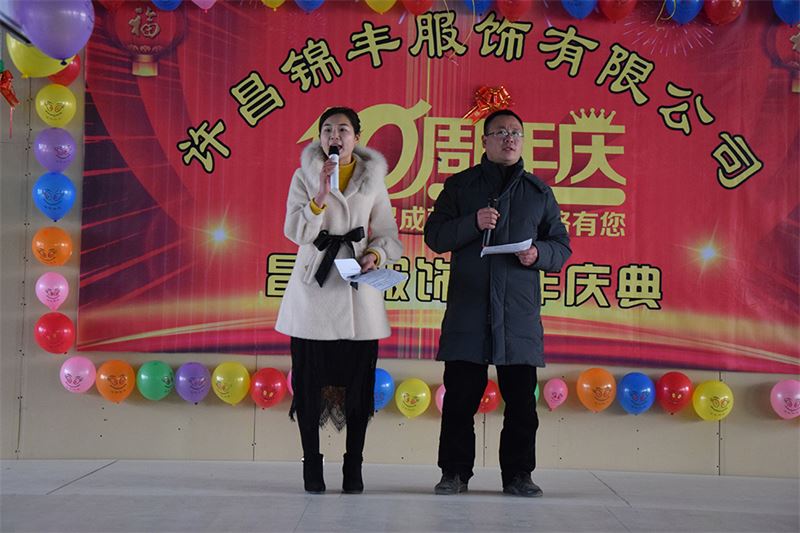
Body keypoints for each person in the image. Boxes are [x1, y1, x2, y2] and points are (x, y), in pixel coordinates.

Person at [424, 109, 571, 498]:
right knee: (459, 400)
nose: (509, 138)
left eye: (516, 133)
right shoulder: (460, 187)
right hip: (469, 311)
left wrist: (538, 254)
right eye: (501, 132)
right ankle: (454, 473)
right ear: (484, 141)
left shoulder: (538, 193)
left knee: (521, 403)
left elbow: (561, 246)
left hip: (517, 315)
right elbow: (435, 236)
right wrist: (473, 222)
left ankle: (519, 475)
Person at [275, 106, 402, 495]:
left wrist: (375, 254)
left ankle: (353, 466)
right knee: (308, 384)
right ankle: (311, 465)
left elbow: (388, 234)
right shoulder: (304, 176)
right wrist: (319, 195)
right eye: (328, 129)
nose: (335, 136)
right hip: (314, 289)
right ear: (320, 138)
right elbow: (295, 232)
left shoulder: (373, 179)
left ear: (356, 138)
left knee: (359, 387)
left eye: (343, 130)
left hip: (356, 291)